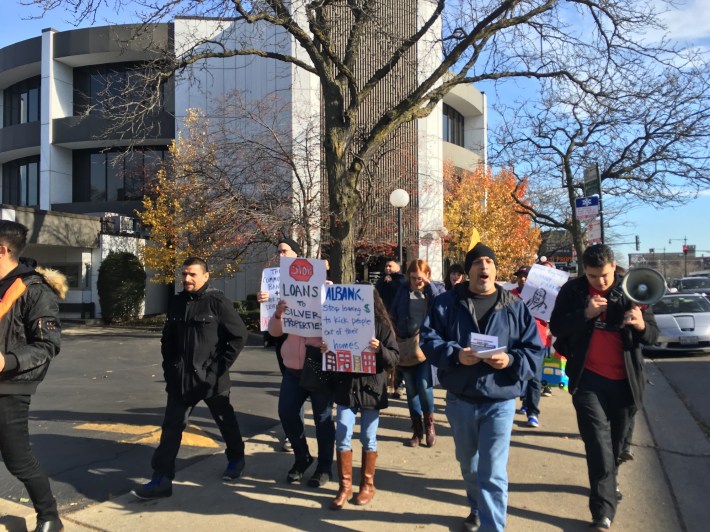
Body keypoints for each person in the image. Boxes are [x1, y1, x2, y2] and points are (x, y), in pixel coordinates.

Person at [420, 242, 544, 532]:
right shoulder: (445, 303)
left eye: (489, 261)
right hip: (460, 401)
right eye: (478, 262)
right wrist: (455, 355)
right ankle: (476, 507)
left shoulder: (515, 306)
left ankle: (492, 526)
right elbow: (429, 340)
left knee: (493, 472)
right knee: (470, 465)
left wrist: (511, 360)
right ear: (468, 270)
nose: (484, 266)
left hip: (499, 402)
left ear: (496, 269)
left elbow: (535, 352)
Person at [550, 244, 658, 531]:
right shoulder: (573, 292)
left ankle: (610, 482)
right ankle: (602, 512)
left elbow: (654, 334)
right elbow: (557, 327)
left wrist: (640, 326)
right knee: (598, 446)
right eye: (592, 276)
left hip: (625, 382)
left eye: (605, 276)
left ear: (614, 268)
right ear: (584, 271)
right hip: (588, 380)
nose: (599, 282)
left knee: (616, 445)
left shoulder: (632, 290)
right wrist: (584, 314)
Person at [133, 257, 248, 499]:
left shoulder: (217, 303)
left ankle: (236, 457)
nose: (187, 279)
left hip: (210, 381)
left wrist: (216, 370)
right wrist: (169, 369)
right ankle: (162, 479)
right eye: (184, 274)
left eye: (193, 274)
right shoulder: (176, 302)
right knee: (171, 428)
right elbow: (168, 339)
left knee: (225, 422)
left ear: (206, 276)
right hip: (180, 381)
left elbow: (238, 336)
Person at [0, 221, 67, 532]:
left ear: (2, 250)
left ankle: (49, 516)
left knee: (18, 459)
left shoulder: (35, 291)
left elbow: (47, 346)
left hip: (10, 388)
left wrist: (8, 361)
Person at [327, 291, 399, 509]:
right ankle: (344, 487)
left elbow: (394, 359)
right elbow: (332, 360)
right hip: (347, 389)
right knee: (342, 434)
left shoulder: (381, 326)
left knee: (368, 437)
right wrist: (327, 351)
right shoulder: (338, 322)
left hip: (371, 389)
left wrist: (380, 350)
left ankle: (367, 485)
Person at [268, 293, 335, 488]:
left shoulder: (328, 295)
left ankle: (324, 467)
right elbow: (274, 333)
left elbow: (341, 330)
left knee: (322, 419)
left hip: (319, 368)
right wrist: (279, 315)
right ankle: (302, 456)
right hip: (293, 369)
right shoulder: (291, 296)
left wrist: (330, 344)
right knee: (287, 412)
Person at [389, 259, 444, 447]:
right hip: (406, 345)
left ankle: (430, 426)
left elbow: (443, 309)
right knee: (411, 389)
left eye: (420, 278)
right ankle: (417, 431)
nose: (416, 282)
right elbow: (393, 313)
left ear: (427, 276)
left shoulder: (435, 290)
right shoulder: (403, 290)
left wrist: (429, 288)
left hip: (426, 346)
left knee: (423, 385)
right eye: (413, 278)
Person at [258, 237, 305, 452]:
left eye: (284, 251)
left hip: (306, 340)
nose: (281, 255)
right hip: (282, 337)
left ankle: (296, 432)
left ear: (297, 253)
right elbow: (269, 312)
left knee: (303, 385)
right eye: (278, 252)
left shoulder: (308, 273)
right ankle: (292, 433)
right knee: (291, 383)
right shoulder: (272, 278)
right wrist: (264, 299)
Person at [510, 263, 554, 427]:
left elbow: (551, 316)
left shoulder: (544, 296)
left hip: (537, 342)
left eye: (526, 276)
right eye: (520, 276)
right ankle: (524, 402)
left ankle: (533, 413)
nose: (522, 279)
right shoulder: (510, 295)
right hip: (516, 342)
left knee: (535, 379)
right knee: (516, 375)